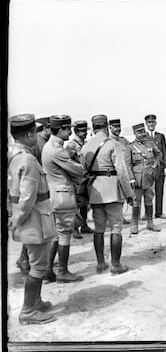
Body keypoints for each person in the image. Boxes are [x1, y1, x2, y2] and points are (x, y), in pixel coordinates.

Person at [8, 113, 57, 325]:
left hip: (29, 218)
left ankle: (36, 302)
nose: (36, 136)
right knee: (38, 266)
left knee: (38, 263)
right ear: (29, 134)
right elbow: (27, 199)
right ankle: (28, 311)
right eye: (34, 133)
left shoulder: (14, 154)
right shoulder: (27, 159)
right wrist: (18, 220)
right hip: (34, 219)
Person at [80, 115, 134, 275]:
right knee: (116, 227)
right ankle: (115, 265)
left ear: (93, 127)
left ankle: (100, 264)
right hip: (111, 190)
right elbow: (122, 172)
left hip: (95, 191)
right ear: (107, 126)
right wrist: (129, 194)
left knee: (99, 228)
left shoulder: (86, 146)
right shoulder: (113, 144)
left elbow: (83, 171)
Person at [42, 115, 84, 283]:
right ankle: (63, 271)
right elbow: (79, 170)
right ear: (60, 130)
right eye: (67, 129)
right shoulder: (57, 149)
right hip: (63, 195)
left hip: (54, 194)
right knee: (65, 234)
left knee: (56, 235)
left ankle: (48, 270)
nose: (69, 132)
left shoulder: (49, 146)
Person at [124, 123, 162, 234]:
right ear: (134, 133)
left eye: (142, 131)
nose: (141, 134)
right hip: (137, 179)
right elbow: (128, 165)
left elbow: (159, 155)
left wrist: (155, 166)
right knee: (136, 201)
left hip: (149, 178)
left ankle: (150, 223)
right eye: (139, 132)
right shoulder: (130, 147)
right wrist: (131, 178)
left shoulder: (150, 143)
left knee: (149, 199)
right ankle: (134, 224)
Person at [65, 120, 94, 239]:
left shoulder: (86, 143)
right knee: (77, 205)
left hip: (86, 178)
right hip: (77, 180)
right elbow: (68, 163)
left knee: (85, 204)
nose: (84, 133)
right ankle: (75, 228)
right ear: (76, 131)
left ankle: (85, 226)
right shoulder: (71, 145)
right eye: (82, 131)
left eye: (85, 131)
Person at [145, 114, 166, 219]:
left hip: (159, 168)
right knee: (147, 191)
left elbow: (164, 151)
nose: (151, 124)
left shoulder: (160, 136)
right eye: (149, 122)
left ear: (156, 123)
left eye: (153, 122)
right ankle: (147, 213)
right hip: (148, 169)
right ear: (146, 124)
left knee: (159, 190)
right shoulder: (143, 136)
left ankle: (159, 212)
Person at [109, 118, 131, 225]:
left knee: (121, 196)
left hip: (124, 172)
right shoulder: (108, 141)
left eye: (119, 127)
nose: (118, 129)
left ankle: (120, 216)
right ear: (110, 127)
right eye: (115, 127)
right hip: (112, 173)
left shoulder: (123, 141)